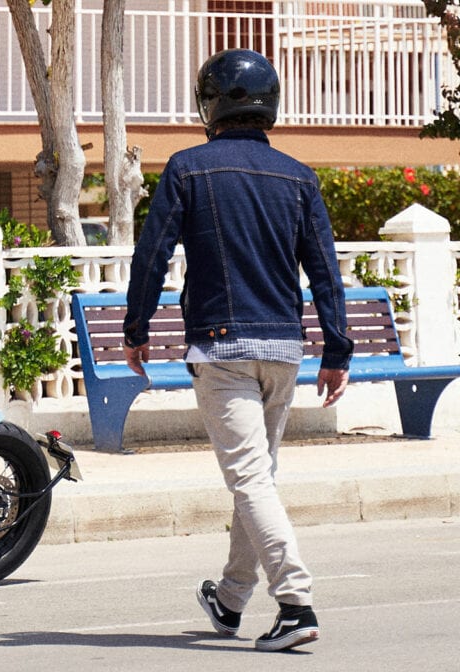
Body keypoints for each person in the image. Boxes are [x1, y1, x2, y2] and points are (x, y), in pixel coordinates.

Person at [121, 48, 353, 652]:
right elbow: (325, 271)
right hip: (283, 348)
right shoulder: (300, 177)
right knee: (260, 479)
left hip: (222, 349)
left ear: (211, 104)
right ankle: (229, 599)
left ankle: (297, 604)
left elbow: (154, 254)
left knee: (250, 480)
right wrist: (338, 350)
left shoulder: (188, 167)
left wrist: (136, 328)